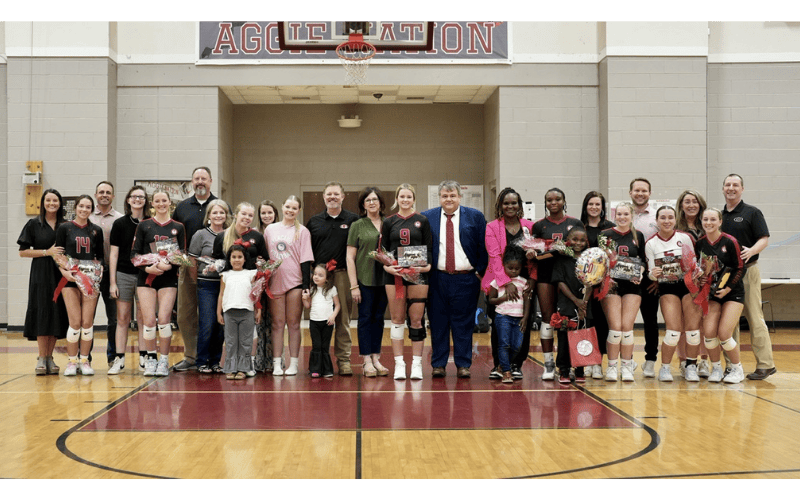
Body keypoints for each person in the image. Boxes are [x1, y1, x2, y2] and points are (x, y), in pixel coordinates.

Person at [422, 180, 488, 379]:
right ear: (439, 197)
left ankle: (463, 364)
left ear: (460, 197)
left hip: (466, 279)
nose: (448, 199)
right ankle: (439, 364)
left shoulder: (475, 217)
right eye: (444, 196)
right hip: (437, 277)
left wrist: (479, 273)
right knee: (438, 321)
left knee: (463, 323)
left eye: (452, 196)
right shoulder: (427, 217)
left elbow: (483, 248)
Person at [720, 173, 776, 380]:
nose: (731, 188)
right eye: (727, 185)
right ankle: (731, 366)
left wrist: (751, 251)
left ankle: (765, 364)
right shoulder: (719, 216)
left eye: (735, 185)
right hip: (726, 276)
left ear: (742, 189)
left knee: (755, 317)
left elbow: (764, 238)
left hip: (749, 270)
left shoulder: (752, 213)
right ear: (723, 189)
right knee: (728, 322)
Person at [132, 189, 187, 377]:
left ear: (169, 203)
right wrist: (148, 269)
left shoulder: (178, 227)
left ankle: (164, 360)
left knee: (164, 320)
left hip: (168, 279)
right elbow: (134, 255)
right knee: (148, 321)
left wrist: (170, 264)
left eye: (164, 200)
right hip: (146, 278)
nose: (161, 203)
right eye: (157, 201)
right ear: (152, 204)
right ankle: (151, 359)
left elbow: (182, 255)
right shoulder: (144, 226)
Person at [481, 187, 535, 380]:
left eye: (514, 203)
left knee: (523, 323)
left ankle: (516, 364)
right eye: (506, 203)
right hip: (499, 282)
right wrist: (506, 282)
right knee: (499, 326)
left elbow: (536, 256)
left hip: (525, 281)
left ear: (519, 206)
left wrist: (532, 280)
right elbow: (494, 256)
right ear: (500, 206)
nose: (510, 206)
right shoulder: (492, 227)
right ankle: (499, 364)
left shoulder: (529, 226)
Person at [531, 188, 584, 380]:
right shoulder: (538, 226)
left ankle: (571, 363)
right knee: (548, 318)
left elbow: (583, 249)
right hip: (545, 276)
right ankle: (549, 364)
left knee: (568, 319)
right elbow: (535, 255)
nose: (553, 202)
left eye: (558, 199)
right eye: (549, 200)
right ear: (545, 203)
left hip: (569, 278)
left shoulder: (575, 223)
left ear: (564, 200)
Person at [306, 182, 359, 376]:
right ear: (324, 197)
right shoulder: (314, 221)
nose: (332, 197)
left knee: (343, 318)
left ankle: (343, 360)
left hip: (343, 274)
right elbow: (307, 252)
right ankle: (320, 361)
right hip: (320, 277)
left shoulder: (353, 220)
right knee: (319, 318)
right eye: (329, 194)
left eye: (336, 194)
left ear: (343, 196)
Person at [645, 206, 702, 382]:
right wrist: (652, 274)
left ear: (675, 219)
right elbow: (649, 272)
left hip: (687, 287)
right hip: (667, 287)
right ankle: (665, 368)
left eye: (670, 217)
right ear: (657, 221)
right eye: (663, 217)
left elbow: (693, 263)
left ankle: (690, 366)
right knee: (673, 331)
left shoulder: (685, 238)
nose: (667, 221)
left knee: (692, 331)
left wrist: (697, 271)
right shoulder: (651, 243)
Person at [212, 202, 270, 376]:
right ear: (236, 214)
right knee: (230, 339)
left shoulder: (257, 237)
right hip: (229, 291)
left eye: (250, 215)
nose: (247, 218)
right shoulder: (222, 236)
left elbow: (265, 262)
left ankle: (246, 366)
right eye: (243, 214)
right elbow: (217, 262)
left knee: (247, 337)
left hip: (249, 292)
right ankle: (229, 367)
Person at [381, 184, 432, 380]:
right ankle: (399, 364)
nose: (405, 199)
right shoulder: (389, 221)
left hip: (418, 275)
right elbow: (383, 251)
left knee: (417, 320)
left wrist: (426, 266)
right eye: (401, 196)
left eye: (408, 196)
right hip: (394, 276)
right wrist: (387, 267)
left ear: (413, 199)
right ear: (397, 198)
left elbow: (428, 248)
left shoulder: (422, 220)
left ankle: (417, 364)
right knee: (396, 320)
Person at [172, 167, 220, 372]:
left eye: (204, 178)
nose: (200, 182)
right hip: (187, 268)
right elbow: (173, 237)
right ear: (192, 182)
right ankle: (191, 355)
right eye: (196, 179)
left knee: (212, 316)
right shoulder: (182, 207)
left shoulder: (219, 206)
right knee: (186, 314)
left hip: (215, 272)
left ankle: (212, 358)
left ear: (210, 181)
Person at [17, 189, 69, 375]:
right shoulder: (33, 224)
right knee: (41, 311)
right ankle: (41, 357)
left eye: (55, 200)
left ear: (60, 203)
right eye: (48, 200)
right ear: (43, 202)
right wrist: (47, 252)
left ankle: (50, 357)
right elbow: (23, 252)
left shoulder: (65, 225)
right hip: (40, 273)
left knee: (56, 312)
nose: (52, 203)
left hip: (60, 273)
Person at [55, 195, 105, 376]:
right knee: (75, 322)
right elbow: (58, 253)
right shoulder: (64, 228)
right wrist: (64, 271)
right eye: (81, 206)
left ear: (92, 210)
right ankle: (71, 361)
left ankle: (85, 361)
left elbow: (100, 257)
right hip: (70, 280)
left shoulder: (96, 230)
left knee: (87, 322)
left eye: (88, 207)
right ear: (75, 208)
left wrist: (96, 274)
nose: (84, 209)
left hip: (91, 280)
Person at [695, 208, 746, 383]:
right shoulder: (700, 244)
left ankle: (737, 368)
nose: (708, 223)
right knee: (709, 332)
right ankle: (716, 368)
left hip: (732, 293)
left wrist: (728, 288)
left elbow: (740, 267)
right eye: (705, 219)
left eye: (712, 219)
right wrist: (700, 278)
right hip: (712, 294)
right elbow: (699, 268)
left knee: (724, 333)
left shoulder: (730, 242)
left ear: (720, 221)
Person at [265, 196, 314, 376]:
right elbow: (264, 256)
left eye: (294, 208)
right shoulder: (270, 229)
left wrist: (306, 286)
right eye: (288, 207)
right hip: (275, 282)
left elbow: (306, 260)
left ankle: (293, 363)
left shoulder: (303, 231)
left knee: (293, 324)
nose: (290, 210)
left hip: (295, 282)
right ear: (282, 207)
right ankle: (277, 362)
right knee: (278, 323)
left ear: (298, 211)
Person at [346, 187, 390, 377]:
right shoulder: (357, 225)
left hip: (385, 279)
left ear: (381, 202)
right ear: (363, 205)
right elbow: (349, 257)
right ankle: (365, 360)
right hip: (364, 280)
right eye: (367, 200)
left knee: (379, 319)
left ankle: (376, 357)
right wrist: (354, 285)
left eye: (375, 199)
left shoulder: (389, 223)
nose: (372, 203)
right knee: (365, 319)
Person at [600, 202, 644, 382]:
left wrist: (640, 274)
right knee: (615, 328)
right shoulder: (605, 235)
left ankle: (626, 366)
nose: (622, 217)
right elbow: (599, 260)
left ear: (631, 216)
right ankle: (611, 366)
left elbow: (642, 261)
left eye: (626, 214)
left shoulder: (638, 235)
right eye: (619, 214)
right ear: (614, 215)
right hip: (612, 285)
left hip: (632, 285)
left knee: (627, 328)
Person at [108, 186, 150, 374]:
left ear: (145, 201)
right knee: (122, 318)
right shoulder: (119, 224)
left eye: (141, 197)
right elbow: (114, 254)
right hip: (123, 275)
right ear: (128, 200)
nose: (137, 199)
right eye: (134, 196)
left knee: (143, 318)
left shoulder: (150, 223)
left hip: (143, 275)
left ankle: (144, 357)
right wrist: (113, 282)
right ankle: (119, 359)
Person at [188, 200, 231, 374]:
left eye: (222, 212)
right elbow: (192, 261)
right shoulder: (200, 235)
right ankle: (201, 361)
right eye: (215, 212)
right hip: (206, 284)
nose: (218, 216)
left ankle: (215, 361)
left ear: (227, 215)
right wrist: (196, 280)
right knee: (207, 323)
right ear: (209, 216)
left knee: (220, 324)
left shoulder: (230, 234)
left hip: (226, 285)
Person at [675, 189, 711, 377]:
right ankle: (684, 362)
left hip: (705, 281)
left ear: (700, 204)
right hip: (682, 281)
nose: (691, 205)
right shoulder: (675, 227)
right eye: (687, 201)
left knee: (704, 322)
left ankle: (703, 361)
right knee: (683, 324)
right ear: (681, 205)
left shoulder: (707, 224)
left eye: (694, 201)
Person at [580, 190, 614, 379]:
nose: (594, 207)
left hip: (603, 282)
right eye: (590, 204)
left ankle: (599, 362)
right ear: (585, 206)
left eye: (597, 204)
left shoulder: (609, 228)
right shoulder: (579, 226)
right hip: (583, 283)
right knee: (587, 321)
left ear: (602, 207)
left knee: (602, 321)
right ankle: (587, 360)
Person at [629, 178, 660, 378]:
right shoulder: (623, 214)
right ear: (630, 192)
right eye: (636, 190)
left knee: (650, 320)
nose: (640, 193)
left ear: (649, 192)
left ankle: (650, 360)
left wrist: (658, 278)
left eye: (644, 190)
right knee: (625, 321)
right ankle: (627, 360)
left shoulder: (657, 217)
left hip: (650, 277)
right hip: (627, 276)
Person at [89, 181, 122, 366]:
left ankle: (113, 357)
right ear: (95, 194)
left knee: (114, 319)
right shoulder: (86, 217)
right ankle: (85, 357)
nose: (104, 195)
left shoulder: (119, 218)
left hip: (112, 274)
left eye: (108, 192)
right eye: (101, 191)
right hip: (90, 274)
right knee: (87, 319)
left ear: (113, 196)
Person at [486, 245, 531, 383]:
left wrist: (525, 318)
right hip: (502, 317)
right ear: (504, 265)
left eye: (517, 269)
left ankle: (501, 366)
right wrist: (503, 298)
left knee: (517, 346)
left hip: (518, 319)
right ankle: (506, 372)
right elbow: (491, 300)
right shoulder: (498, 282)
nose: (513, 271)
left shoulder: (524, 282)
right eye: (510, 268)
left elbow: (528, 302)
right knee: (504, 344)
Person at [552, 226, 591, 384]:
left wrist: (584, 303)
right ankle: (564, 369)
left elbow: (592, 282)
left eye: (582, 240)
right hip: (567, 303)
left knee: (583, 337)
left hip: (585, 303)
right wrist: (576, 301)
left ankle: (580, 369)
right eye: (574, 239)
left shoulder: (590, 259)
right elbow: (560, 282)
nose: (578, 243)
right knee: (564, 337)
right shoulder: (562, 259)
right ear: (568, 240)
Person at [217, 245, 260, 380]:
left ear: (244, 258)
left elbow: (255, 293)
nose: (236, 260)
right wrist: (219, 312)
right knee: (230, 341)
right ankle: (231, 368)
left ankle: (243, 369)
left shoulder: (250, 274)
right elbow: (221, 294)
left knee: (245, 341)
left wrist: (258, 310)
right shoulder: (225, 275)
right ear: (229, 259)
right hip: (229, 312)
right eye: (233, 257)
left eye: (239, 257)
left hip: (247, 311)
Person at [302, 263, 341, 378]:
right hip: (314, 322)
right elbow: (308, 306)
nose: (316, 277)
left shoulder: (332, 289)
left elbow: (337, 305)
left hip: (327, 322)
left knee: (325, 346)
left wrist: (333, 316)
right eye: (315, 274)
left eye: (320, 275)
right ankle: (315, 369)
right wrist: (304, 299)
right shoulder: (312, 289)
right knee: (316, 345)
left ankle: (327, 369)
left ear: (327, 278)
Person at [254, 200, 279, 372]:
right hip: (258, 282)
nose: (267, 216)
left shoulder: (280, 232)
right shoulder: (255, 234)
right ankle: (258, 361)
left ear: (276, 214)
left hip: (277, 281)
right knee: (259, 322)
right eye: (263, 213)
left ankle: (274, 360)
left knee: (274, 322)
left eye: (270, 212)